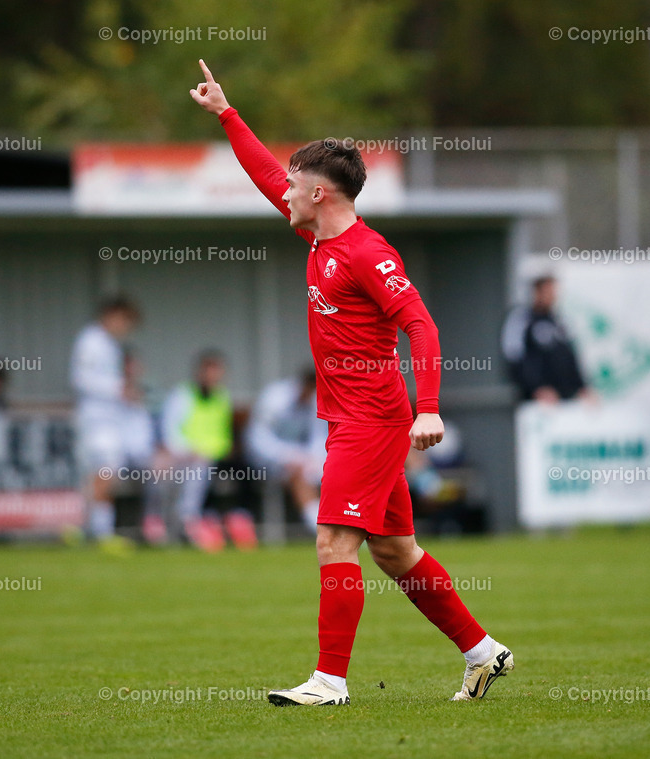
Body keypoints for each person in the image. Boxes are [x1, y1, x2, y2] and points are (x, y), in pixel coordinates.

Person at [190, 59, 513, 706]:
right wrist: (226, 113)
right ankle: (484, 652)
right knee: (395, 552)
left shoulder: (367, 253)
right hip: (352, 417)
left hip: (372, 419)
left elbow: (421, 324)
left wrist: (429, 409)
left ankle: (329, 681)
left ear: (320, 195)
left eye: (293, 185)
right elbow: (265, 172)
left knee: (333, 540)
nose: (281, 192)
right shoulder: (319, 236)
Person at [160, 349, 258, 552]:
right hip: (191, 455)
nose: (212, 376)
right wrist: (190, 449)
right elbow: (170, 432)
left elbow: (224, 433)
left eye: (217, 371)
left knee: (248, 469)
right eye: (208, 370)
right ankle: (198, 520)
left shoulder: (222, 396)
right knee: (201, 470)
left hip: (218, 454)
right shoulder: (183, 395)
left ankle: (240, 516)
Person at [69, 295, 141, 544]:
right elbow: (80, 378)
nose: (126, 328)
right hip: (96, 420)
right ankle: (100, 531)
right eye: (125, 321)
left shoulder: (109, 345)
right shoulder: (91, 341)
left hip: (109, 419)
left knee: (103, 473)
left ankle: (86, 529)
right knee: (104, 471)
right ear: (112, 315)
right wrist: (118, 389)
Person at [246, 368, 327, 533]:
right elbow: (257, 438)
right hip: (265, 461)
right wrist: (286, 456)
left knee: (335, 474)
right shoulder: (274, 398)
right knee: (298, 476)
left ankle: (345, 526)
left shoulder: (317, 399)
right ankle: (320, 528)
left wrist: (311, 459)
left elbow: (319, 438)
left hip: (303, 459)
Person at [501, 275, 592, 403]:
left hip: (562, 399)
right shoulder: (521, 319)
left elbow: (570, 356)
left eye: (554, 292)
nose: (553, 296)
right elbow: (514, 358)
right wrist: (536, 388)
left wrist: (582, 387)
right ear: (536, 292)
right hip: (534, 402)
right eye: (548, 292)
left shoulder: (560, 321)